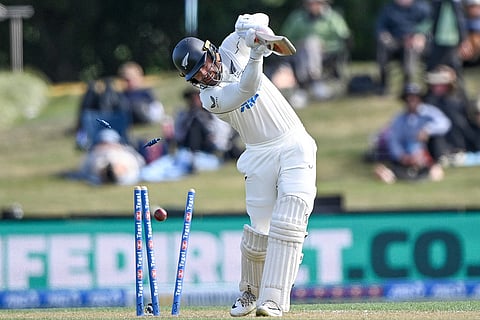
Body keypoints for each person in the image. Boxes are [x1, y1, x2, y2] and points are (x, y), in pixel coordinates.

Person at [172, 12, 317, 317]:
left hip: (293, 144)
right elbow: (247, 89)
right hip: (258, 154)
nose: (204, 75)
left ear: (211, 53)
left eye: (204, 65)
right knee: (259, 230)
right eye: (196, 76)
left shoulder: (230, 47)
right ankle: (250, 293)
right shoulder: (210, 99)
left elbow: (259, 21)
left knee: (289, 219)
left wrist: (249, 26)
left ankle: (274, 300)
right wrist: (258, 55)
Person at [272, 0, 351, 105]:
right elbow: (286, 38)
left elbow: (345, 37)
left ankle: (303, 88)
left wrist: (324, 46)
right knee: (308, 45)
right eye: (310, 3)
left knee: (312, 43)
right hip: (301, 52)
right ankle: (315, 81)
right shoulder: (297, 18)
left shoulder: (333, 18)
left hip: (328, 53)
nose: (313, 5)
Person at [374, 83, 451, 184]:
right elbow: (394, 140)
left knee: (436, 140)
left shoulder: (430, 112)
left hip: (427, 151)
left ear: (419, 99)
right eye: (408, 99)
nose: (411, 101)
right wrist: (402, 156)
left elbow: (445, 123)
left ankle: (435, 166)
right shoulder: (399, 119)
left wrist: (427, 130)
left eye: (414, 98)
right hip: (408, 154)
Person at [375, 0, 431, 95]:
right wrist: (384, 35)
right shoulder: (389, 9)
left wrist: (420, 35)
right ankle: (383, 85)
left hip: (414, 41)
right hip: (395, 41)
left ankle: (407, 84)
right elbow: (380, 27)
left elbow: (429, 23)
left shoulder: (422, 7)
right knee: (382, 45)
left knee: (409, 48)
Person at [423, 65, 480, 154]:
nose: (437, 87)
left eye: (440, 84)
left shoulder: (458, 101)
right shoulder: (428, 102)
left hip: (464, 144)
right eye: (435, 84)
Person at [426, 0, 469, 90]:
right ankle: (430, 94)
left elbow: (460, 21)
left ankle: (460, 94)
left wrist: (463, 41)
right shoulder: (437, 3)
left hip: (452, 41)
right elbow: (431, 20)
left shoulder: (456, 3)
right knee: (432, 68)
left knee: (455, 69)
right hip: (437, 41)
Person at [77, 128, 145, 185]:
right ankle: (109, 173)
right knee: (101, 165)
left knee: (120, 165)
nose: (107, 145)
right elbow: (85, 169)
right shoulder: (94, 154)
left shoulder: (125, 151)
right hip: (101, 165)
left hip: (122, 164)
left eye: (109, 143)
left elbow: (139, 162)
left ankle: (114, 172)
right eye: (104, 143)